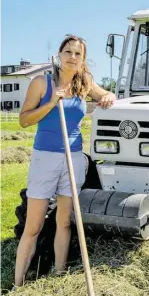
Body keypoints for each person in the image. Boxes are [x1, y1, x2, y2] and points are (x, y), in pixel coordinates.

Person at [14, 35, 116, 288]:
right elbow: (24, 120)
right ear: (59, 55)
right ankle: (18, 284)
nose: (72, 57)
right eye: (68, 52)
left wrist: (108, 96)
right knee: (33, 226)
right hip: (45, 158)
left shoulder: (85, 83)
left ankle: (59, 276)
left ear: (83, 60)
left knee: (64, 221)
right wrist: (51, 103)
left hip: (74, 159)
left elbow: (105, 93)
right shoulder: (41, 83)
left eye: (77, 54)